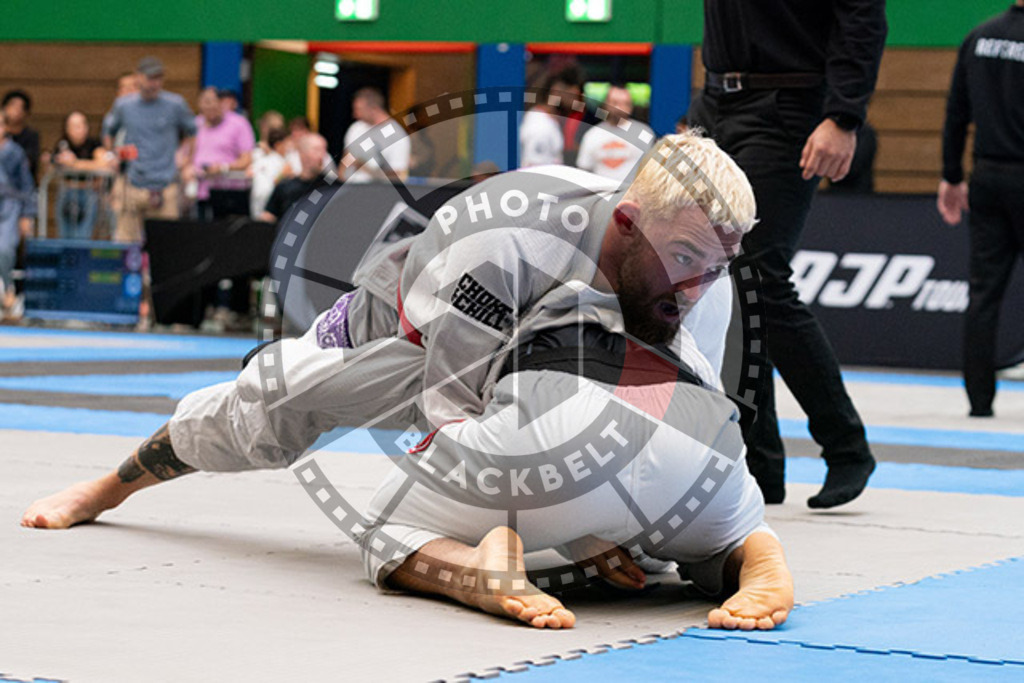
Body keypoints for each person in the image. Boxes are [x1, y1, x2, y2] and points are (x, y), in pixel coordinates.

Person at [21, 132, 764, 622]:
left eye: (716, 265)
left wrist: (616, 534)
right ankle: (109, 486)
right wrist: (561, 539)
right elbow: (450, 412)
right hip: (408, 332)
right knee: (265, 410)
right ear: (629, 222)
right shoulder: (507, 240)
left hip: (549, 361)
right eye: (688, 259)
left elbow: (678, 414)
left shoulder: (702, 272)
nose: (699, 284)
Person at [363, 322, 792, 630]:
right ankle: (750, 550)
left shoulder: (515, 252)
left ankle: (469, 570)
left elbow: (454, 397)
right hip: (695, 423)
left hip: (557, 408)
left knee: (384, 526)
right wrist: (583, 534)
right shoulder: (690, 265)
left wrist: (572, 526)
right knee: (725, 531)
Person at [688, 0, 887, 509]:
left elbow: (860, 17)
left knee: (760, 276)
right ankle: (759, 466)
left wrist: (843, 115)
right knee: (724, 286)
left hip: (787, 104)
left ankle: (846, 448)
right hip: (716, 101)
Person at [938, 0, 1024, 418]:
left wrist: (951, 175)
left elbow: (957, 111)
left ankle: (979, 399)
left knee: (983, 293)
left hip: (987, 177)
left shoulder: (980, 36)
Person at [102, 56, 196, 243]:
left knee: (166, 244)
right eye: (150, 78)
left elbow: (192, 132)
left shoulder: (175, 104)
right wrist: (113, 155)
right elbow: (108, 131)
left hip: (166, 183)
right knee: (126, 241)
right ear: (139, 78)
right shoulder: (124, 105)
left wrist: (185, 157)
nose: (155, 83)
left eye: (159, 78)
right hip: (132, 183)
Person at [188, 87, 255, 221]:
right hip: (200, 192)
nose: (210, 106)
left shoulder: (239, 123)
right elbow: (189, 154)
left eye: (213, 102)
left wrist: (223, 168)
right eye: (205, 103)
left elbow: (247, 159)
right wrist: (188, 168)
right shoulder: (196, 124)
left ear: (221, 103)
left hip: (228, 192)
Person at [576, 84, 655, 183]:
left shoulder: (644, 134)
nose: (619, 108)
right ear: (605, 104)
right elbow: (584, 170)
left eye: (625, 103)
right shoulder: (592, 135)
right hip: (600, 195)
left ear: (631, 106)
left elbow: (653, 170)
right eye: (614, 102)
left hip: (632, 196)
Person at [0, 109, 36, 319]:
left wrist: (27, 214)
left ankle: (9, 291)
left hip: (9, 206)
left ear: (5, 128)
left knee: (4, 249)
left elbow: (26, 185)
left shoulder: (15, 152)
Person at [50, 111, 107, 240]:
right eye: (72, 126)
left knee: (83, 234)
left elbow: (102, 164)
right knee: (64, 234)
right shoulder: (62, 145)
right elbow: (53, 164)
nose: (76, 130)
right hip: (67, 191)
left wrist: (75, 164)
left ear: (86, 127)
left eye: (79, 126)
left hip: (88, 192)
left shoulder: (94, 144)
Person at [259, 133, 332, 223]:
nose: (322, 156)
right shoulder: (285, 187)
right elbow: (268, 217)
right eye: (317, 150)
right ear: (302, 154)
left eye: (324, 150)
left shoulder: (332, 187)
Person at [342, 87, 410, 183]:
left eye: (359, 110)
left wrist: (365, 168)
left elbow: (398, 175)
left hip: (376, 192)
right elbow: (345, 159)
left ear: (374, 109)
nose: (355, 114)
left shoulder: (397, 136)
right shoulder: (356, 128)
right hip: (348, 190)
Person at [249, 127, 290, 218]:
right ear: (278, 145)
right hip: (269, 209)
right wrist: (283, 174)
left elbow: (249, 173)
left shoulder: (261, 160)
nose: (288, 148)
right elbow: (274, 183)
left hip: (255, 208)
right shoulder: (282, 163)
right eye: (286, 144)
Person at [1, 90, 40, 180]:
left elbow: (29, 163)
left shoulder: (31, 136)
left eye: (21, 107)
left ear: (25, 112)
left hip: (22, 184)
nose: (16, 110)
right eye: (13, 105)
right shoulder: (2, 135)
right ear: (4, 108)